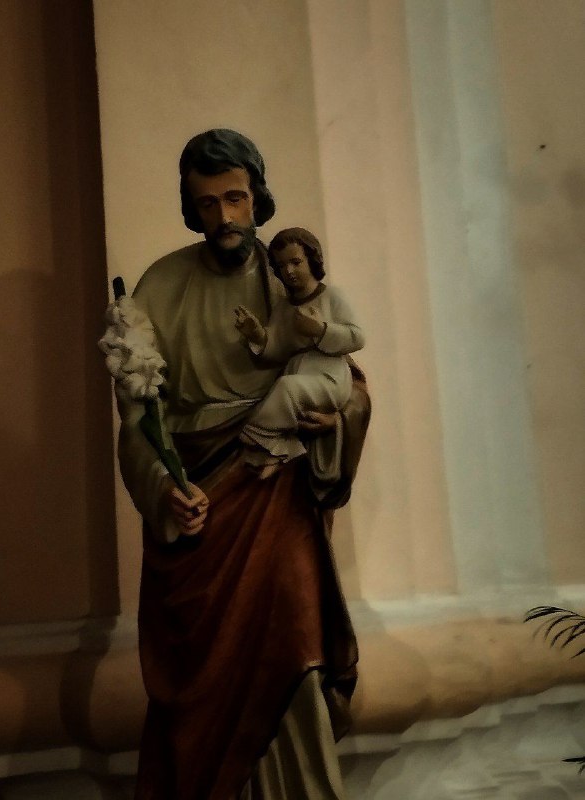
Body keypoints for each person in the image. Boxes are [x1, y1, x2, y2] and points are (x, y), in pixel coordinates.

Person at [116, 129, 370, 800]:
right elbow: (138, 425)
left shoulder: (290, 276)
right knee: (200, 686)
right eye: (206, 205)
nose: (225, 218)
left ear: (257, 195)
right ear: (189, 208)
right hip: (202, 504)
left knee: (297, 657)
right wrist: (162, 488)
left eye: (235, 198)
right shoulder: (159, 288)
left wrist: (335, 424)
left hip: (276, 495)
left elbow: (344, 378)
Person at [235, 227, 365, 481]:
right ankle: (280, 450)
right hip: (301, 375)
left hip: (329, 377)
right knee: (287, 387)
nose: (289, 271)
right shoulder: (284, 307)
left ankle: (262, 439)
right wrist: (258, 336)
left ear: (312, 259)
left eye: (296, 262)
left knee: (286, 389)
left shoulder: (331, 296)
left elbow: (357, 337)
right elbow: (276, 348)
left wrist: (321, 330)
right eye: (282, 266)